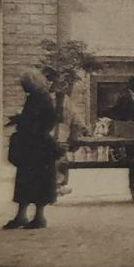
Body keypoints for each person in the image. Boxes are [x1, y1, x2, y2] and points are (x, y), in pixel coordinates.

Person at [4, 68, 60, 230]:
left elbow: (46, 120)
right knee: (26, 179)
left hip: (38, 145)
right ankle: (22, 215)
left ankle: (38, 216)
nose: (23, 88)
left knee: (36, 180)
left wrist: (24, 123)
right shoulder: (37, 97)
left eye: (25, 85)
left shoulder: (41, 99)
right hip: (32, 144)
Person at [45, 68, 87, 196]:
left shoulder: (66, 100)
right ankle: (52, 186)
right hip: (48, 133)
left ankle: (59, 185)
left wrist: (82, 127)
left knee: (62, 159)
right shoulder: (46, 99)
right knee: (50, 160)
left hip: (63, 133)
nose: (62, 88)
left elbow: (74, 116)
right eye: (60, 85)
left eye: (64, 85)